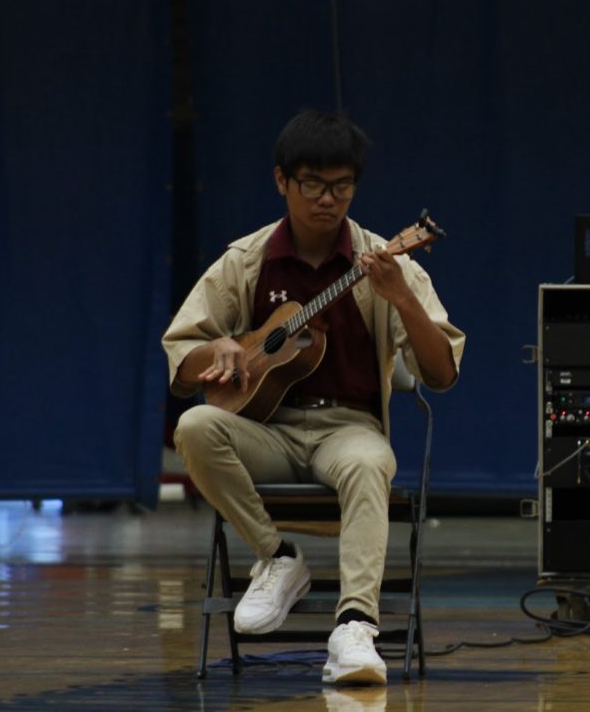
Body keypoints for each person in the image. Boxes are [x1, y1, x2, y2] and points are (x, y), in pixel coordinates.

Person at [162, 109, 465, 685]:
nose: (329, 199)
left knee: (372, 461)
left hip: (347, 429)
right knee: (197, 425)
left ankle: (355, 628)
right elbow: (182, 357)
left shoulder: (383, 257)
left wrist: (400, 298)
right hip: (266, 431)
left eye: (342, 186)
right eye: (313, 185)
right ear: (282, 181)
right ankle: (277, 558)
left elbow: (443, 372)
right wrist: (221, 349)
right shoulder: (247, 260)